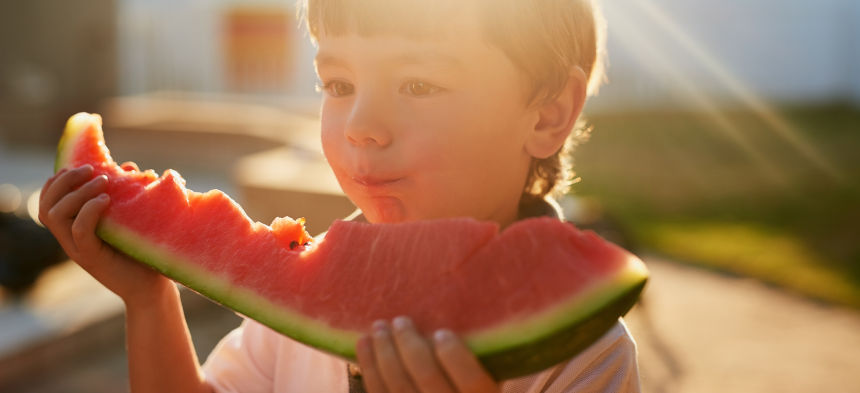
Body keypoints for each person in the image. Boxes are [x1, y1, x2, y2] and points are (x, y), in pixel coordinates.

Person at [38, 0, 641, 391]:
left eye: (419, 83)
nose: (359, 124)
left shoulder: (586, 357)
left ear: (548, 112)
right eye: (338, 82)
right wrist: (149, 301)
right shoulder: (300, 299)